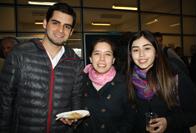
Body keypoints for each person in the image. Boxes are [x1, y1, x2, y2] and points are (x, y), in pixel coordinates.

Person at [0, 2, 83, 133]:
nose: (60, 30)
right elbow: (4, 100)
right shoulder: (20, 54)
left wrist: (75, 121)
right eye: (55, 23)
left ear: (71, 32)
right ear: (45, 23)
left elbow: (76, 98)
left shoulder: (75, 62)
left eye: (67, 26)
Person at [127, 30, 196, 133]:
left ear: (156, 51)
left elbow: (195, 113)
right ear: (130, 54)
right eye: (135, 50)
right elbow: (130, 117)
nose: (141, 55)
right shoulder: (128, 79)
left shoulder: (174, 75)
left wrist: (169, 122)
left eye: (147, 48)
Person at [74, 38, 136, 133]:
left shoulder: (125, 83)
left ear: (113, 60)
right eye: (97, 53)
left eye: (107, 54)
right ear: (90, 58)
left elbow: (131, 118)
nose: (102, 59)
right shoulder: (81, 80)